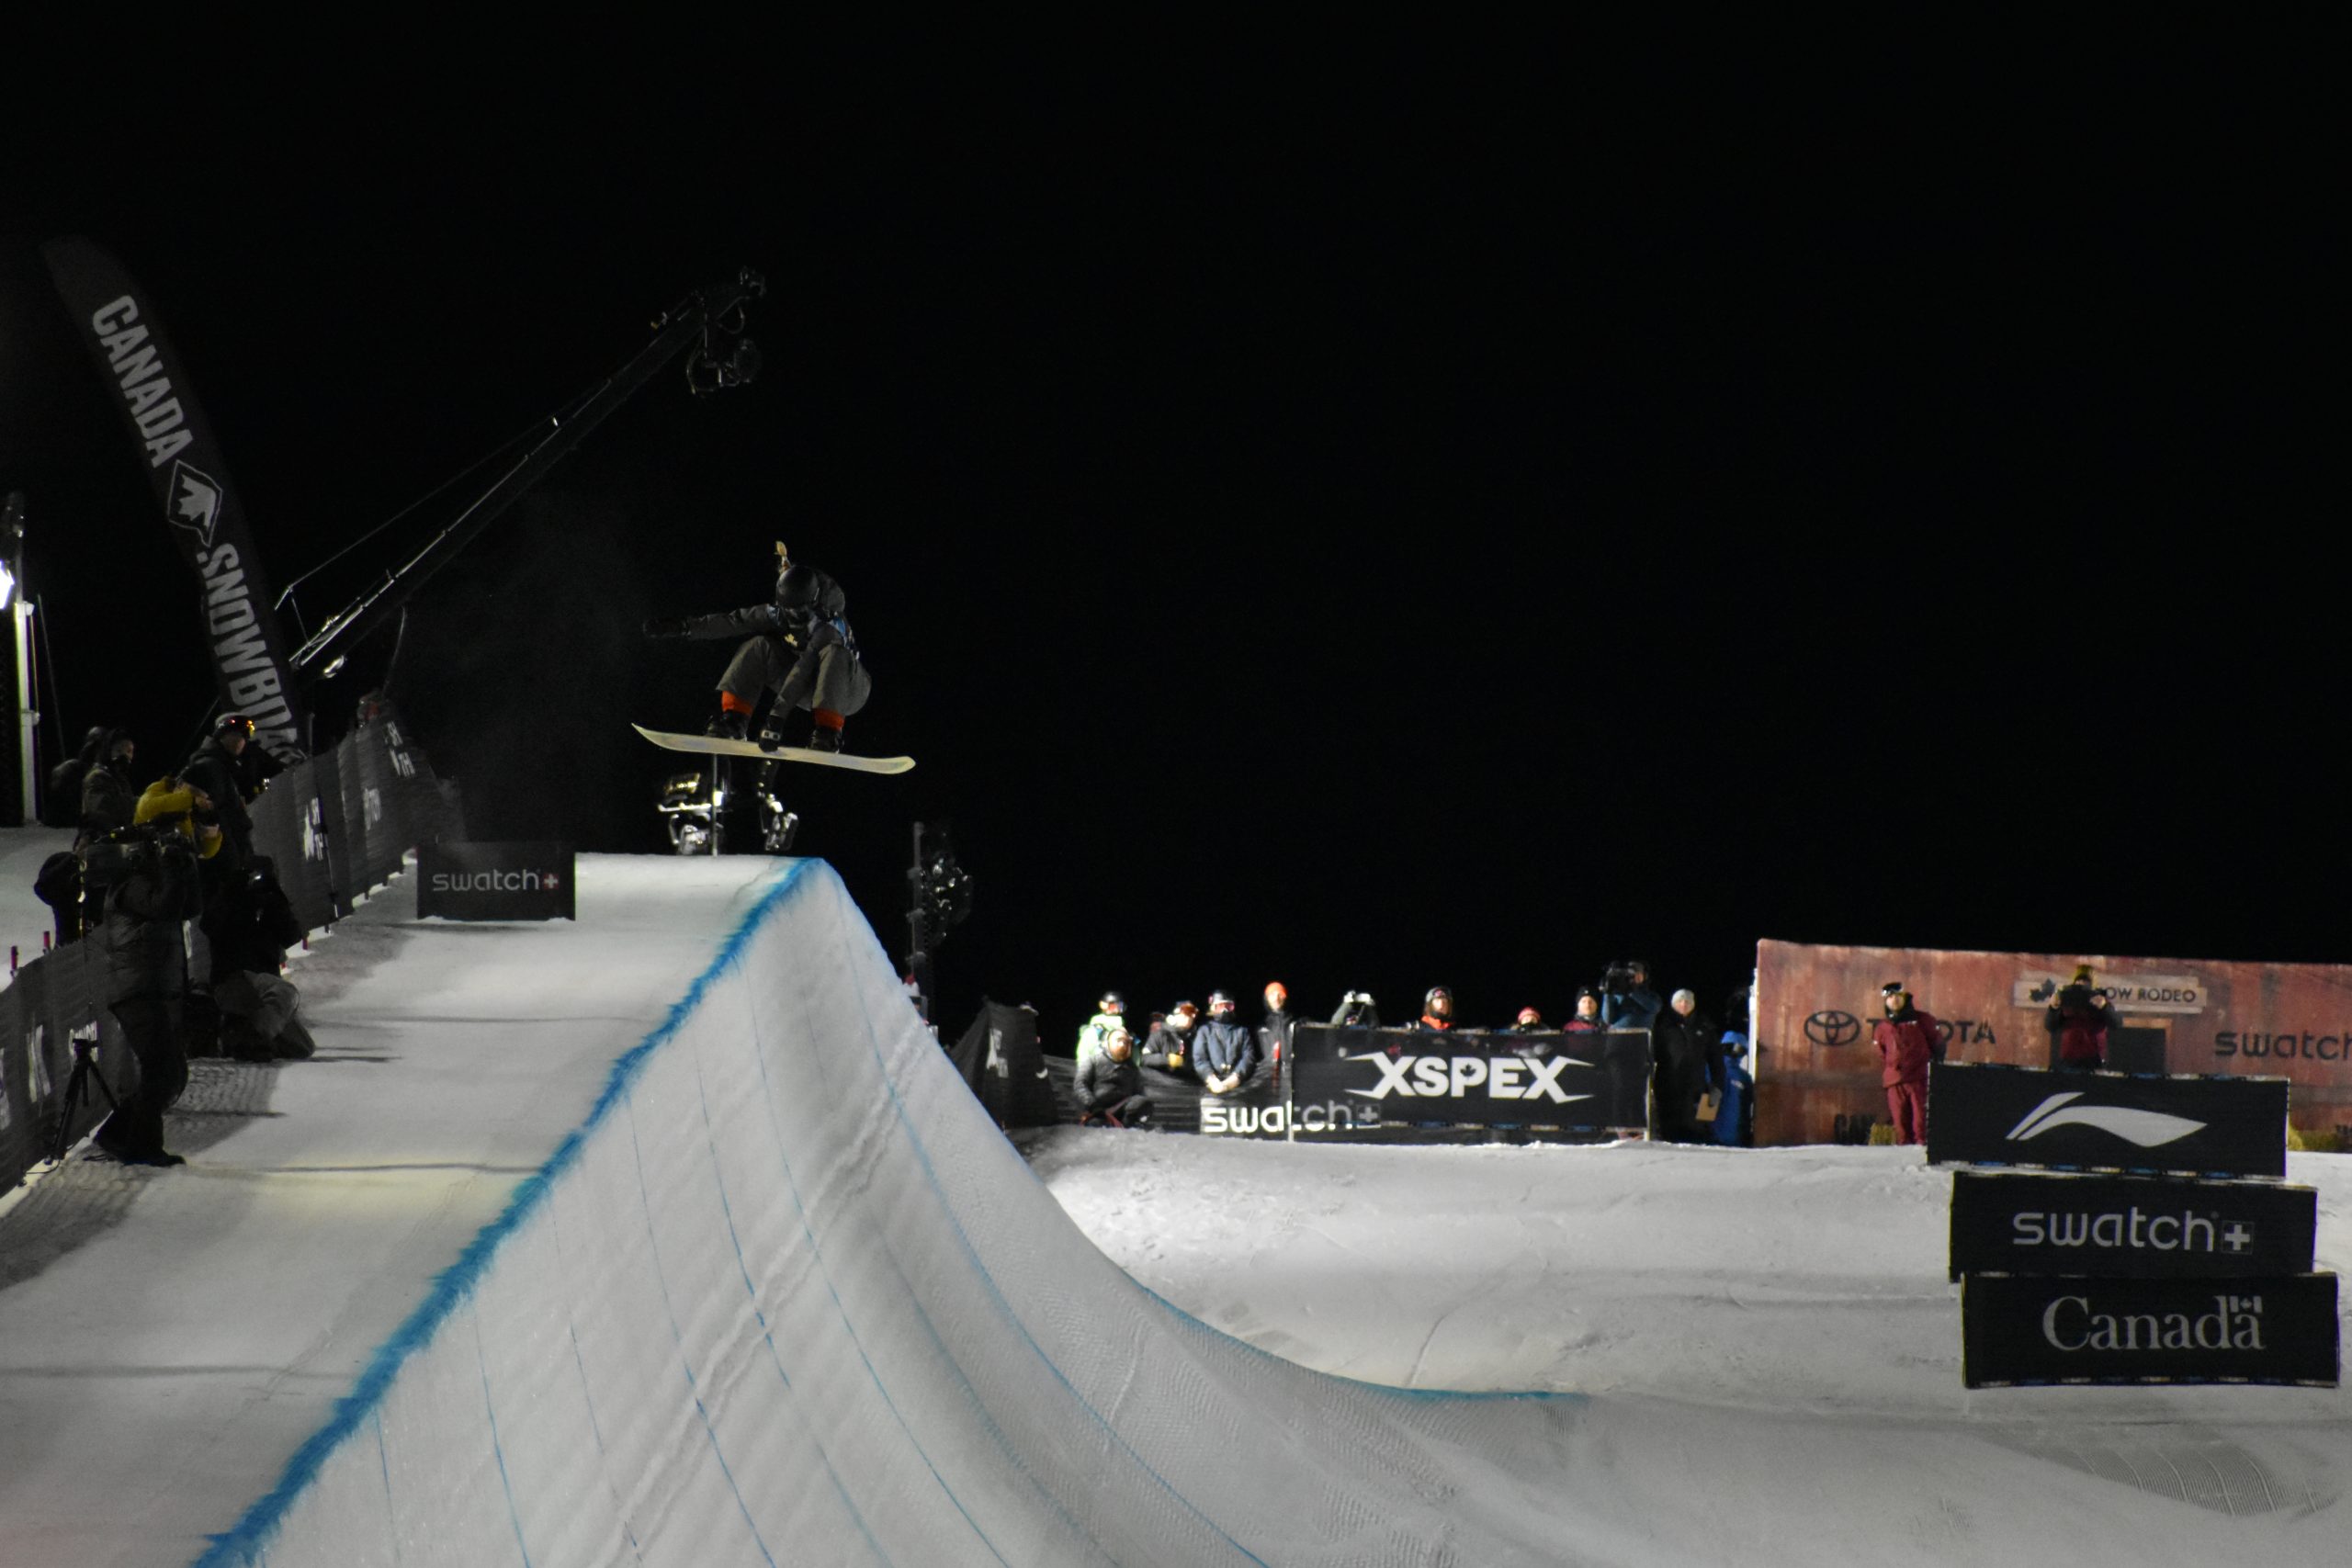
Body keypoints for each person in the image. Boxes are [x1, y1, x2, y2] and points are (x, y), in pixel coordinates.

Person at [85, 779, 221, 1167]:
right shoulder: (127, 885)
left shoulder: (151, 877)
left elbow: (188, 906)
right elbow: (162, 906)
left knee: (172, 1072)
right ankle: (141, 1147)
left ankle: (116, 1134)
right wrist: (173, 867)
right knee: (162, 1071)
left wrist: (185, 865)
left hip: (154, 984)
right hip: (136, 988)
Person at [645, 540, 872, 755]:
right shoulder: (777, 614)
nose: (794, 619)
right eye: (788, 611)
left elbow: (802, 669)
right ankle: (734, 720)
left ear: (814, 603)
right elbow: (733, 621)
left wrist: (775, 720)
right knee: (758, 646)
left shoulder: (828, 625)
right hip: (809, 689)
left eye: (800, 613)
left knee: (833, 654)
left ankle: (828, 732)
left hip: (847, 690)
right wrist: (684, 627)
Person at [205, 856, 315, 1062]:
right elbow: (210, 926)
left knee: (303, 1047)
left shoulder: (270, 902)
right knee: (286, 992)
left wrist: (275, 897)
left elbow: (291, 935)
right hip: (233, 979)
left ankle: (251, 1036)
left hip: (265, 986)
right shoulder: (229, 901)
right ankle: (253, 1037)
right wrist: (233, 893)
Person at [180, 713, 259, 860]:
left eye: (244, 737)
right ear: (223, 736)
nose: (242, 741)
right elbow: (212, 814)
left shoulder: (224, 768)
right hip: (224, 855)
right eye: (237, 734)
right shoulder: (210, 767)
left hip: (231, 851)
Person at [1651, 988, 1721, 1142]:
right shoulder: (1662, 1027)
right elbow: (1651, 1057)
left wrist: (1717, 1087)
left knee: (1695, 1132)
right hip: (1668, 1088)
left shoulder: (1705, 1026)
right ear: (1673, 1004)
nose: (1683, 1004)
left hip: (1695, 1089)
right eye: (1679, 1002)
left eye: (1687, 1001)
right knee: (1669, 1132)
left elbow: (1716, 1060)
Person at [1873, 986, 1941, 1144]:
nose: (1894, 1000)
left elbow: (1937, 1045)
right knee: (1901, 1126)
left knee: (1920, 1124)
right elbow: (1882, 1053)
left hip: (1919, 1079)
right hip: (1895, 1081)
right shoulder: (1882, 1027)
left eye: (1898, 996)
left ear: (1905, 997)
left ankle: (1922, 1158)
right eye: (1890, 998)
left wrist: (1930, 1068)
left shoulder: (1923, 1020)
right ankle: (1904, 1161)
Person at [1075, 1027, 1154, 1128]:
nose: (1122, 1045)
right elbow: (1080, 1084)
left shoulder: (1132, 1068)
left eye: (1125, 1042)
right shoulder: (1093, 1061)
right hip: (1098, 1109)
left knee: (1143, 1103)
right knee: (1096, 1124)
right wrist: (1092, 1104)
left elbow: (1140, 1091)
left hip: (1125, 1108)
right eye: (1119, 1041)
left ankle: (1129, 1124)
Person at [2045, 964, 2117, 1070]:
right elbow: (2051, 1026)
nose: (2082, 984)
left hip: (2094, 1059)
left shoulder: (2099, 999)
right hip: (2069, 1057)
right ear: (2074, 982)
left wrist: (2104, 1007)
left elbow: (2116, 1023)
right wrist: (2053, 1008)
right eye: (2079, 982)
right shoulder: (2066, 999)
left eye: (2086, 982)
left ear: (2092, 984)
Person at [78, 728, 140, 847]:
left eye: (129, 751)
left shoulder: (119, 778)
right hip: (102, 842)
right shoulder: (97, 777)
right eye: (118, 751)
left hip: (118, 837)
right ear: (108, 751)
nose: (124, 756)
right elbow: (99, 814)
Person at [1193, 990, 1258, 1096]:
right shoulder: (1205, 1031)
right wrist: (1211, 1079)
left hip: (1238, 1089)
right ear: (1212, 1008)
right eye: (1219, 1006)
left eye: (1228, 1006)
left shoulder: (1241, 1031)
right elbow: (1199, 1058)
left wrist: (1235, 1078)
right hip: (1211, 1089)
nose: (1224, 1010)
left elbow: (1248, 1057)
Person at [1713, 1032, 1756, 1146]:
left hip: (1715, 1139)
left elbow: (1707, 1105)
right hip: (1735, 1139)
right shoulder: (1743, 1078)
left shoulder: (1713, 1072)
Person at [1600, 960, 1663, 1032]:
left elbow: (1654, 1007)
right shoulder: (1617, 995)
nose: (1634, 977)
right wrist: (1608, 994)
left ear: (1645, 976)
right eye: (1631, 975)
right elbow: (1608, 1019)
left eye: (1638, 974)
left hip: (1640, 1037)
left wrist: (1632, 992)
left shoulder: (1650, 995)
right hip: (1617, 1036)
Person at [1257, 982, 1299, 1085]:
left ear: (1286, 997)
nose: (1276, 999)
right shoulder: (1260, 1027)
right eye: (1271, 995)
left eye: (1280, 994)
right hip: (1267, 1080)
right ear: (1266, 999)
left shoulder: (1297, 1024)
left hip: (1293, 1078)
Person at [1075, 991, 1127, 1070]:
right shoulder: (1094, 1030)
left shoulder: (1091, 1031)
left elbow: (1082, 1055)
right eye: (1113, 1006)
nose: (1116, 1009)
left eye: (1119, 1006)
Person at [1139, 1001, 1197, 1073]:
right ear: (1174, 1017)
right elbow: (1145, 1059)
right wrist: (1167, 1060)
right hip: (1157, 1081)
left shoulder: (1192, 1040)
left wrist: (1185, 1064)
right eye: (1184, 1016)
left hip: (1181, 1082)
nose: (1188, 1020)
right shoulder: (1161, 1034)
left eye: (1190, 1018)